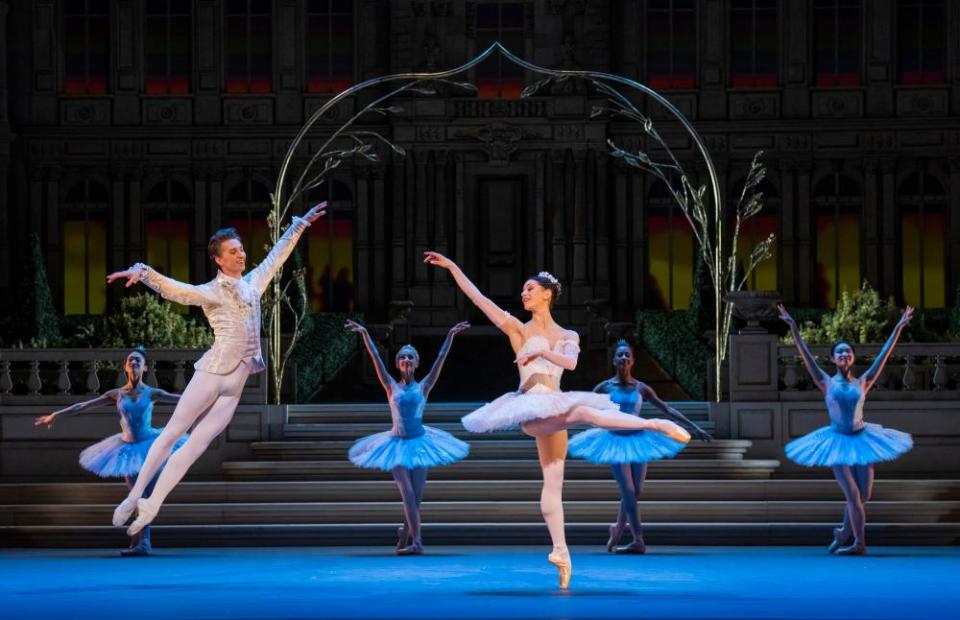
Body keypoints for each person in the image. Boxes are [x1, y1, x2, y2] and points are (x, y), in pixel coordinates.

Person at [424, 251, 689, 589]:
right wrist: (453, 268)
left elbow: (571, 365)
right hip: (531, 409)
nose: (524, 294)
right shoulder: (518, 330)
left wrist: (541, 352)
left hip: (555, 406)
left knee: (553, 482)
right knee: (583, 413)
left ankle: (561, 553)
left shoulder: (569, 336)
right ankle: (654, 425)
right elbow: (479, 299)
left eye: (529, 288)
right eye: (523, 290)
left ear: (547, 294)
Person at [106, 202, 327, 536]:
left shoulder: (253, 284)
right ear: (219, 260)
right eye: (233, 252)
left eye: (241, 250)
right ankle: (133, 497)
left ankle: (152, 505)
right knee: (172, 434)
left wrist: (298, 226)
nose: (241, 255)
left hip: (234, 386)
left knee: (195, 447)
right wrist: (144, 272)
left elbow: (275, 258)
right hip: (213, 374)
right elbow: (177, 292)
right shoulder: (210, 291)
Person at [779, 304, 914, 555]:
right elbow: (805, 355)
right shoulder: (825, 382)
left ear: (852, 357)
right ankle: (859, 544)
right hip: (838, 441)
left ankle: (843, 532)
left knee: (864, 495)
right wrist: (793, 327)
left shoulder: (863, 381)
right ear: (833, 358)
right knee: (853, 496)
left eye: (848, 351)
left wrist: (898, 326)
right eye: (839, 352)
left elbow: (883, 355)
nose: (844, 354)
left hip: (863, 438)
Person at [34, 347, 186, 556]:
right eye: (130, 360)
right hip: (127, 449)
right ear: (125, 366)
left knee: (141, 494)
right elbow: (83, 406)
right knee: (138, 494)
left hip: (150, 445)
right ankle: (139, 540)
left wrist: (214, 398)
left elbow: (184, 400)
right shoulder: (117, 394)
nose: (133, 363)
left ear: (144, 367)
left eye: (137, 361)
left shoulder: (152, 393)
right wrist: (56, 415)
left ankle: (143, 542)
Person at [569, 339, 712, 553]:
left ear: (633, 360)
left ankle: (617, 530)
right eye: (620, 355)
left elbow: (667, 409)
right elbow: (584, 409)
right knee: (627, 490)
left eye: (627, 355)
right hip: (615, 440)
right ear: (614, 360)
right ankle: (638, 540)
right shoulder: (605, 387)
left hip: (639, 440)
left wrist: (694, 427)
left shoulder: (642, 388)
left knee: (636, 492)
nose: (624, 358)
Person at [345, 319, 471, 555]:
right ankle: (418, 543)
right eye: (402, 357)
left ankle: (404, 536)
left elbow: (440, 359)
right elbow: (375, 358)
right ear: (397, 363)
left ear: (416, 363)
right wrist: (364, 333)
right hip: (397, 445)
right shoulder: (391, 386)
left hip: (421, 443)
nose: (406, 360)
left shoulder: (424, 387)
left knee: (416, 498)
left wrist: (450, 336)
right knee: (408, 494)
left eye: (410, 357)